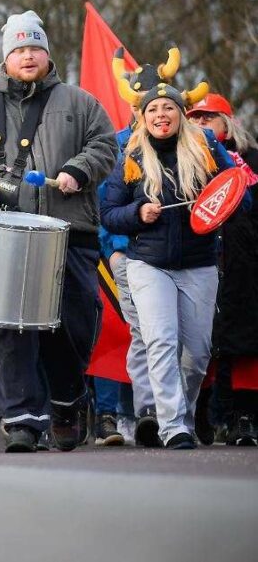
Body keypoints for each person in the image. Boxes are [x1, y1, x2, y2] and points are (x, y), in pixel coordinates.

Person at [0, 10, 117, 453]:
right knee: (7, 329)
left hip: (69, 230)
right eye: (19, 49)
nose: (27, 56)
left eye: (35, 48)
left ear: (46, 54)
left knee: (72, 326)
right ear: (6, 56)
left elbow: (105, 144)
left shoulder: (80, 103)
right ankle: (23, 419)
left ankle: (65, 401)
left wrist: (79, 169)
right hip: (2, 233)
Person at [101, 82, 244, 449]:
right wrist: (137, 212)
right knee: (160, 341)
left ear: (180, 113)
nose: (160, 115)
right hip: (148, 264)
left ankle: (185, 413)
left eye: (168, 108)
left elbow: (239, 192)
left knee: (196, 354)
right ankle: (172, 426)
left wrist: (216, 204)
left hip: (199, 264)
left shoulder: (207, 148)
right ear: (143, 117)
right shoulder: (131, 156)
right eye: (153, 110)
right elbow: (108, 214)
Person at [186, 93, 258, 446]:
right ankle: (202, 413)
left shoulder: (252, 160)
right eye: (194, 119)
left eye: (207, 118)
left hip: (244, 264)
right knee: (202, 343)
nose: (200, 125)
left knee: (244, 342)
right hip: (198, 259)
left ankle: (245, 418)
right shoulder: (182, 160)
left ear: (226, 123)